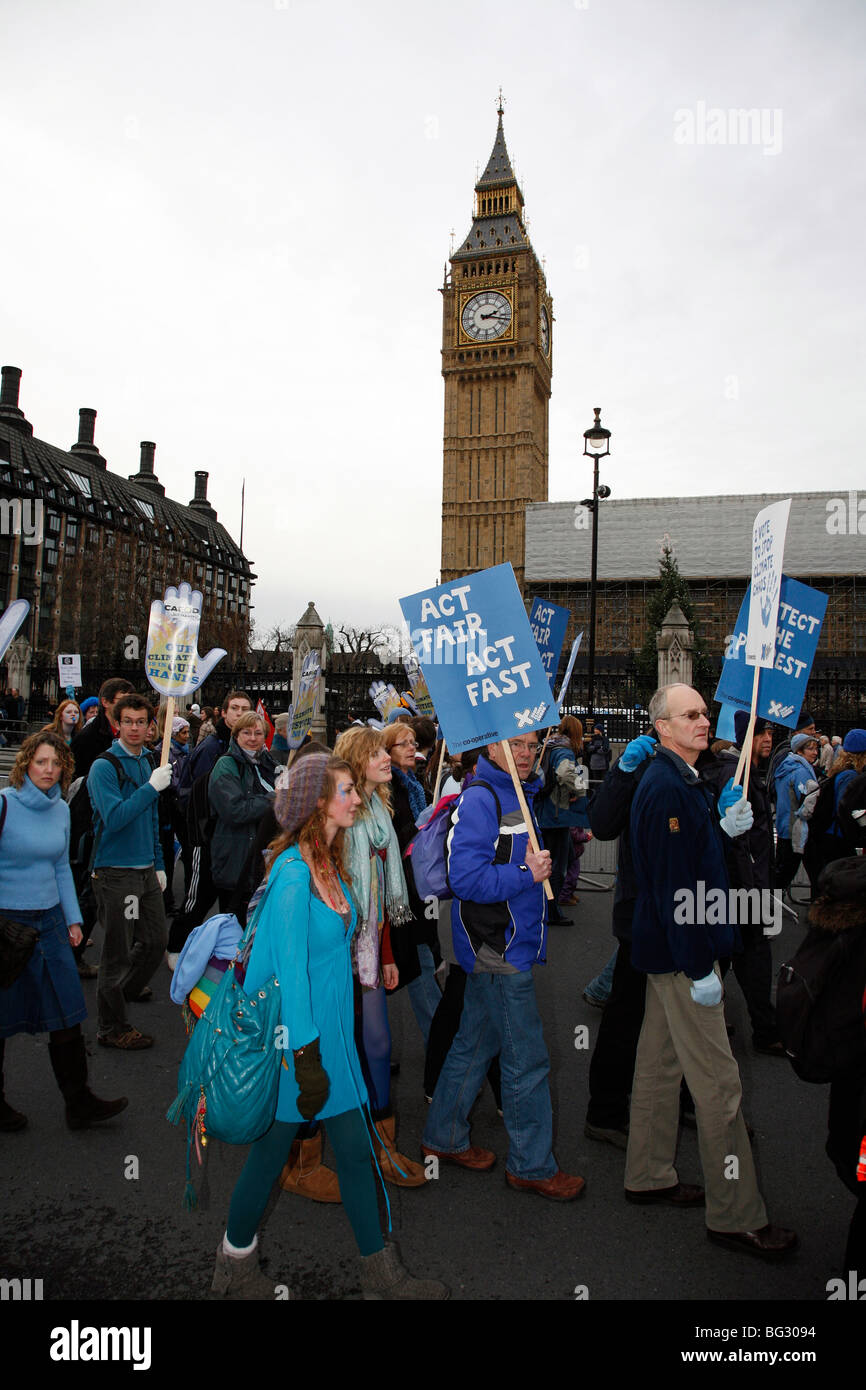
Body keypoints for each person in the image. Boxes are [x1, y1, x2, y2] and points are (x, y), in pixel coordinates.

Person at [211, 753, 447, 1300]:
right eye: (345, 791)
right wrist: (307, 1056)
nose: (356, 798)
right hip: (300, 1048)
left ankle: (380, 1273)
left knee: (352, 1156)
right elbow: (290, 976)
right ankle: (234, 1263)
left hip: (330, 1046)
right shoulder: (294, 874)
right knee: (269, 1158)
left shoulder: (328, 860)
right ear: (319, 802)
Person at [626, 682, 796, 1257]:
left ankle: (647, 1173)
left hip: (669, 951)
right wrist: (701, 966)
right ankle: (735, 1212)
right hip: (683, 956)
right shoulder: (670, 786)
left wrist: (717, 831)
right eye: (690, 714)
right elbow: (677, 887)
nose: (704, 720)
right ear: (663, 727)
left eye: (704, 712)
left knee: (657, 1066)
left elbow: (689, 859)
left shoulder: (682, 780)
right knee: (720, 1087)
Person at [422, 731, 586, 1201]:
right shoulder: (481, 798)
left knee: (475, 1043)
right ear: (491, 748)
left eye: (532, 745)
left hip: (506, 940)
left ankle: (443, 1137)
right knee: (526, 1059)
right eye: (515, 744)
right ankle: (531, 1165)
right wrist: (526, 873)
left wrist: (531, 871)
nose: (526, 753)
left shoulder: (518, 792)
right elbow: (466, 879)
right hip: (497, 946)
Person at [0, 732, 127, 1131]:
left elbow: (60, 867)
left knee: (67, 1010)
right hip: (8, 924)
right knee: (1, 1016)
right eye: (41, 762)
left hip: (51, 921)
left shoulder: (60, 809)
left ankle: (79, 1101)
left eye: (56, 764)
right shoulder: (4, 804)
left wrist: (73, 920)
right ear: (26, 763)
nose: (49, 770)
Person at [333, 725, 425, 1187]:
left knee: (378, 1043)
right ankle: (309, 1153)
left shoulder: (379, 809)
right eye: (376, 753)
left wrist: (388, 954)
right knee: (333, 1046)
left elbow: (380, 895)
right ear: (355, 760)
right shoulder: (336, 813)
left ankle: (382, 1145)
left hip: (369, 946)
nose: (387, 758)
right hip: (332, 948)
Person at [88, 693, 172, 1050]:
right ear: (117, 724)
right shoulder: (104, 766)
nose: (136, 728)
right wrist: (152, 787)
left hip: (144, 871)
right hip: (116, 874)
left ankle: (120, 994)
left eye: (142, 722)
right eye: (129, 722)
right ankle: (111, 1027)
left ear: (150, 726)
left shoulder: (148, 760)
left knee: (154, 942)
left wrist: (160, 863)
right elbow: (117, 817)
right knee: (118, 952)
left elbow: (151, 819)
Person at [702, 712, 785, 1056]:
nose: (768, 738)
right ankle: (764, 1030)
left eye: (771, 732)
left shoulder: (747, 770)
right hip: (741, 888)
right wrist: (753, 891)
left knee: (731, 956)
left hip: (745, 885)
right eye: (762, 732)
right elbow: (737, 842)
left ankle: (714, 1018)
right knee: (750, 957)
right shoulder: (733, 773)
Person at [169, 691, 252, 963]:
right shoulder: (212, 749)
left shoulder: (246, 749)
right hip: (206, 839)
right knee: (198, 898)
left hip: (231, 841)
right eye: (235, 708)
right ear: (223, 713)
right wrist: (202, 837)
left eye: (245, 709)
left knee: (231, 902)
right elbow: (199, 798)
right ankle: (176, 947)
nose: (239, 713)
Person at [382, 721, 441, 1043]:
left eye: (412, 743)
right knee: (416, 963)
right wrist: (420, 830)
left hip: (417, 885)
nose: (411, 748)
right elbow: (388, 839)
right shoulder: (388, 785)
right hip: (402, 888)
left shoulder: (411, 783)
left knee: (420, 959)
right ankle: (440, 1043)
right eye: (403, 744)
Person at [208, 711, 277, 921]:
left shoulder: (268, 762)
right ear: (236, 735)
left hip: (262, 857)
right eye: (247, 732)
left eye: (258, 733)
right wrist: (273, 799)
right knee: (233, 925)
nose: (253, 738)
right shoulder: (226, 765)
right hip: (236, 858)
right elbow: (234, 810)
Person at [535, 715, 589, 923]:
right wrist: (575, 789)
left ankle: (549, 905)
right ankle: (551, 909)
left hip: (546, 811)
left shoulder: (548, 746)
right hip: (556, 813)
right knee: (557, 865)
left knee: (560, 859)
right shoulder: (563, 750)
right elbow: (566, 774)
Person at [773, 732, 820, 897]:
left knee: (782, 870)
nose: (815, 752)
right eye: (810, 749)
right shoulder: (801, 771)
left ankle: (769, 904)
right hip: (797, 827)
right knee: (791, 871)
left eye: (816, 749)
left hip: (785, 825)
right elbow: (810, 799)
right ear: (799, 751)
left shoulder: (786, 767)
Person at [71, 677, 134, 779]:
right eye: (123, 700)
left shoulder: (133, 733)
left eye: (130, 700)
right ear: (105, 702)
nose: (128, 705)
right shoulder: (87, 738)